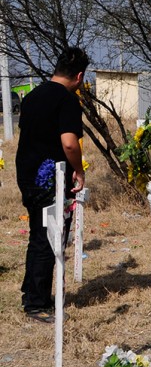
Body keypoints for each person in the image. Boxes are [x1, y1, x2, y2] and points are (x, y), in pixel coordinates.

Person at [16, 46, 90, 323]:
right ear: (79, 76)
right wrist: (79, 171)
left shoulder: (33, 96)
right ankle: (37, 303)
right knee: (50, 238)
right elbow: (69, 143)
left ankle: (32, 292)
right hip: (50, 177)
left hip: (28, 173)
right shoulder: (67, 100)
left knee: (38, 234)